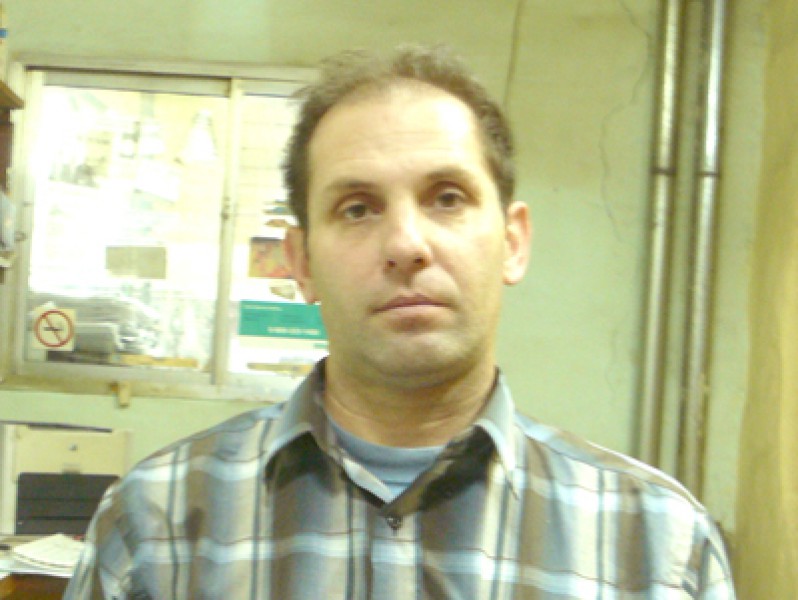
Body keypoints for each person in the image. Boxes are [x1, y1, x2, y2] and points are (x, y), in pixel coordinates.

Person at [65, 45, 735, 599]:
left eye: (447, 198)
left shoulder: (655, 545)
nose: (407, 244)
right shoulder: (156, 528)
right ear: (299, 262)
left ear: (512, 242)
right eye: (357, 208)